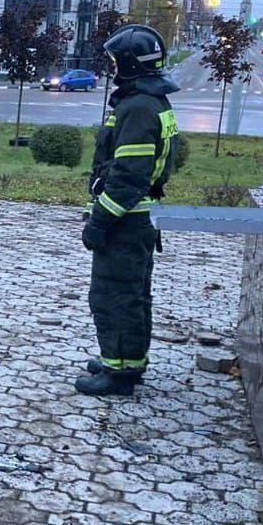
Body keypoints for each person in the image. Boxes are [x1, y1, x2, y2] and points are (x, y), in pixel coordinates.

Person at [76, 24, 180, 397]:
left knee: (113, 295)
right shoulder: (149, 102)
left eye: (115, 62)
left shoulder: (137, 108)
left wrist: (99, 222)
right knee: (131, 293)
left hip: (125, 221)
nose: (112, 69)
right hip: (137, 221)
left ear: (130, 65)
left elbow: (128, 179)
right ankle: (122, 360)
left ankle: (119, 375)